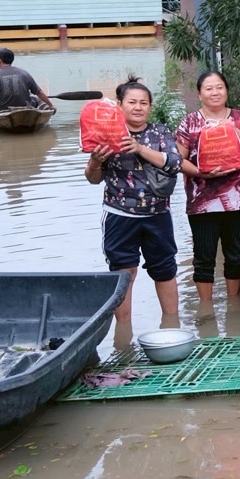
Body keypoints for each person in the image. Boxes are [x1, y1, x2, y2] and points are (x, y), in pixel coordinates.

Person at [83, 77, 180, 324]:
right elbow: (93, 179)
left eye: (144, 103)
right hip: (119, 215)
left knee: (165, 270)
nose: (138, 107)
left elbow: (174, 163)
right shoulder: (106, 132)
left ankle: (172, 325)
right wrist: (95, 161)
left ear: (150, 106)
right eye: (132, 102)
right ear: (120, 105)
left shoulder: (159, 132)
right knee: (123, 274)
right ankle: (123, 335)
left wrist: (139, 148)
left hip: (158, 215)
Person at [175, 70, 240, 308]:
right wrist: (200, 173)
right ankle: (206, 309)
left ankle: (234, 307)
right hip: (201, 202)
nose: (215, 92)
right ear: (199, 94)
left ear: (226, 90)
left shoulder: (239, 118)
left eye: (219, 87)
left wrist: (234, 131)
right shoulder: (190, 122)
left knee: (235, 255)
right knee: (204, 257)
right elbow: (176, 160)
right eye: (209, 88)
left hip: (237, 199)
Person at [0, 47, 55, 113]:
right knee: (35, 98)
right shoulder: (23, 73)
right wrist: (51, 105)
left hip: (3, 109)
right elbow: (39, 92)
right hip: (25, 106)